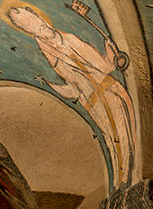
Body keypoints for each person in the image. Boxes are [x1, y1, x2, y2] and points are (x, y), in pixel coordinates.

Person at [7, 2, 135, 185]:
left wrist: (110, 53)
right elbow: (75, 84)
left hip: (110, 92)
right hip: (94, 103)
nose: (43, 30)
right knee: (110, 139)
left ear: (43, 19)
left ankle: (129, 175)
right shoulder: (51, 55)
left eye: (40, 25)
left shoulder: (70, 40)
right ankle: (121, 179)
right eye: (35, 29)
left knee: (124, 136)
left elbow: (104, 66)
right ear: (30, 33)